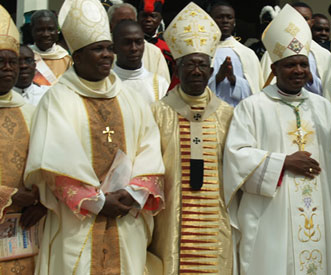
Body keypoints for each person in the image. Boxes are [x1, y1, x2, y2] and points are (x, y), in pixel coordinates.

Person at [24, 0, 165, 274]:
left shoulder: (130, 98)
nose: (107, 55)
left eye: (109, 48)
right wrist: (97, 202)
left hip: (126, 216)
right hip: (77, 220)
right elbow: (53, 162)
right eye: (97, 49)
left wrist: (133, 193)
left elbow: (150, 150)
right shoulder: (57, 100)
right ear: (76, 55)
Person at [223, 4, 331, 274]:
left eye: (303, 64)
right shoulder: (253, 107)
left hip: (320, 207)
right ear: (274, 68)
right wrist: (283, 163)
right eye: (290, 64)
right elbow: (236, 157)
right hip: (272, 212)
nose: (298, 70)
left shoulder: (323, 106)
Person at [148, 3, 233, 274]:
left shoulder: (227, 115)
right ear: (177, 68)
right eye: (189, 64)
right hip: (171, 217)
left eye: (202, 65)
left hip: (214, 218)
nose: (196, 71)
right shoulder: (158, 113)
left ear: (211, 70)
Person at [0, 6, 46, 274]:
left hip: (26, 232)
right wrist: (10, 195)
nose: (8, 68)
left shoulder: (32, 112)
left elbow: (50, 166)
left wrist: (42, 202)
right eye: (0, 62)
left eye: (13, 61)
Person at [260, 2, 331, 101]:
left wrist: (311, 79)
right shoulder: (273, 52)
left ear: (312, 22)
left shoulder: (324, 55)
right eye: (296, 17)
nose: (299, 22)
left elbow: (329, 91)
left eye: (305, 19)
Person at [208, 1, 263, 106]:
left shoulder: (247, 54)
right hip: (209, 115)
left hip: (239, 113)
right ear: (210, 21)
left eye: (229, 17)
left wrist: (234, 79)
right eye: (220, 17)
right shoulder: (203, 52)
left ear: (234, 22)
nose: (225, 21)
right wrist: (218, 79)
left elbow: (255, 92)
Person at [108, 3, 172, 86]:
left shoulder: (154, 53)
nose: (127, 27)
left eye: (131, 22)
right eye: (122, 22)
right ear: (110, 26)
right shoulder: (103, 51)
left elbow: (163, 88)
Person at [112, 20, 169, 103]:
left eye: (138, 42)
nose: (134, 48)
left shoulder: (160, 85)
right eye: (127, 43)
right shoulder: (105, 84)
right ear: (114, 48)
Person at [138, 0, 178, 89]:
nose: (148, 20)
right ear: (138, 17)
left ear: (160, 19)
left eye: (153, 16)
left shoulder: (168, 48)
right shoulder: (130, 46)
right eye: (144, 16)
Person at [29, 10, 72, 86]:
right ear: (32, 30)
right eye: (40, 30)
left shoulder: (67, 60)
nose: (46, 34)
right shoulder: (25, 57)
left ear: (57, 30)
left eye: (50, 29)